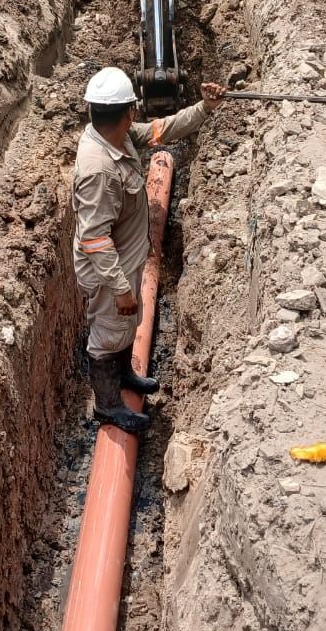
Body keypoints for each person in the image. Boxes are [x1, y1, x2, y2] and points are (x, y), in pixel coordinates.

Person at [72, 67, 226, 434]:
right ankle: (108, 407)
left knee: (127, 324)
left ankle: (125, 374)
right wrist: (120, 288)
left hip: (127, 259)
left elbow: (161, 130)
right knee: (108, 333)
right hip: (109, 272)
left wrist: (203, 108)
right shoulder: (98, 169)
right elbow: (94, 238)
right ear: (129, 111)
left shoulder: (118, 137)